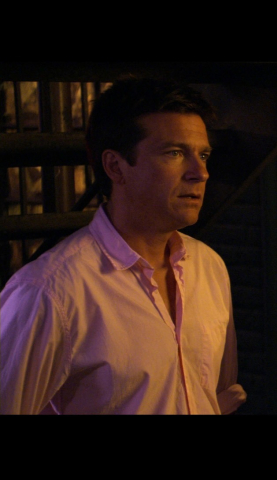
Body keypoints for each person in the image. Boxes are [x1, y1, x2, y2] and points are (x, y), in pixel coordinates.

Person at [0, 76, 246, 414]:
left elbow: (217, 395)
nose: (199, 172)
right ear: (115, 166)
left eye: (203, 155)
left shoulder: (208, 267)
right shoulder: (49, 292)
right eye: (174, 153)